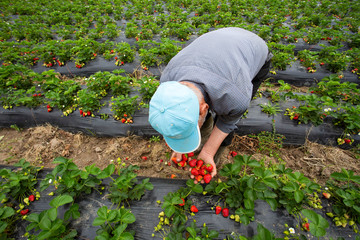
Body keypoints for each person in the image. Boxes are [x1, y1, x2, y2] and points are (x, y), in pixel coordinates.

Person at [149, 27, 272, 182]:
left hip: (253, 48)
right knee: (199, 105)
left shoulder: (235, 95)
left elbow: (227, 122)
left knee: (226, 112)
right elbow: (176, 112)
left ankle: (216, 151)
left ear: (204, 108)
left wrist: (208, 152)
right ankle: (201, 133)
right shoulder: (167, 82)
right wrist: (179, 144)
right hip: (216, 46)